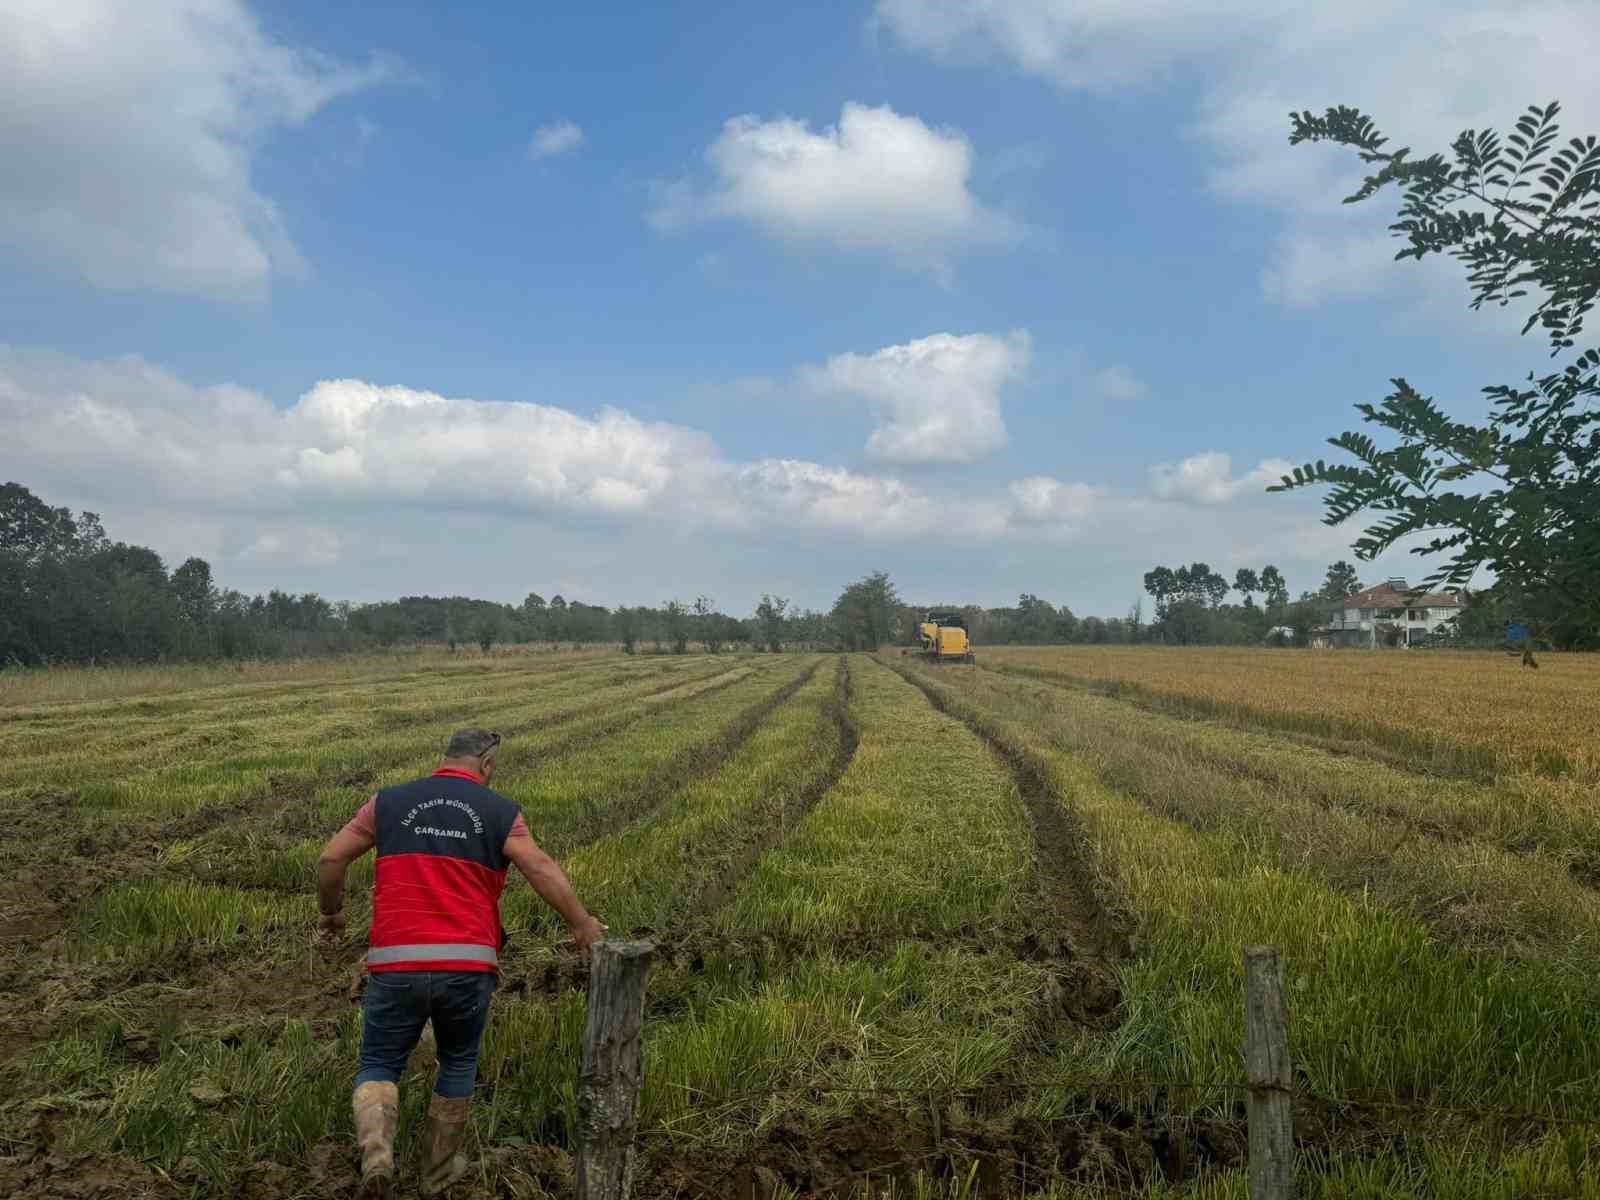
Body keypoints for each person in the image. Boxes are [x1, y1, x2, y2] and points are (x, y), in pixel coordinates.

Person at [315, 727, 606, 1199]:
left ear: (445, 758)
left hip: (395, 962)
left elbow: (331, 859)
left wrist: (331, 913)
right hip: (468, 964)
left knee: (379, 1063)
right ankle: (438, 1173)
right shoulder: (498, 811)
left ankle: (377, 1157)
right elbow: (539, 866)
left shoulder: (387, 802)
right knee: (458, 1061)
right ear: (487, 765)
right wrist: (581, 923)